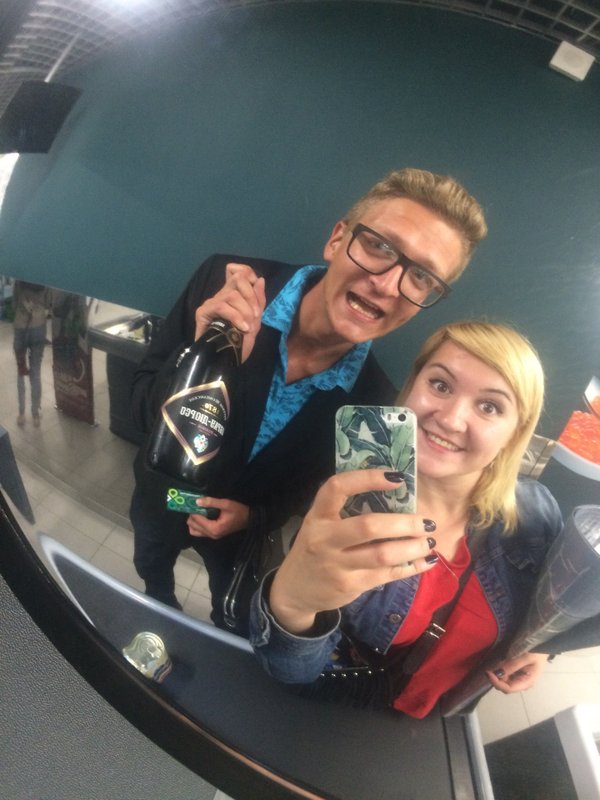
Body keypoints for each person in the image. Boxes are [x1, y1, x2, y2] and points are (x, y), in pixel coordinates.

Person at [129, 168, 488, 633]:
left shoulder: (373, 405)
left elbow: (310, 491)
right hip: (160, 496)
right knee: (151, 570)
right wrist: (202, 357)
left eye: (421, 276)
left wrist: (255, 517)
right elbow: (140, 405)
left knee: (236, 620)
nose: (386, 285)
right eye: (379, 246)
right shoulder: (227, 286)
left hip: (241, 534)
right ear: (337, 240)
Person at [249, 321, 563, 717]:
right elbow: (291, 671)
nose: (450, 419)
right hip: (349, 713)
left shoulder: (537, 514)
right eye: (440, 385)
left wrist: (541, 647)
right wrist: (291, 606)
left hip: (445, 716)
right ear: (412, 386)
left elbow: (555, 600)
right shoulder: (349, 515)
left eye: (489, 407)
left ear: (514, 434)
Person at [12, 280, 51, 428]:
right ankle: (35, 414)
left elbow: (14, 304)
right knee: (36, 372)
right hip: (38, 327)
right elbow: (49, 306)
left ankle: (21, 413)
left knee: (20, 371)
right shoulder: (44, 279)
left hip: (21, 327)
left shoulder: (19, 280)